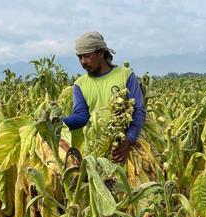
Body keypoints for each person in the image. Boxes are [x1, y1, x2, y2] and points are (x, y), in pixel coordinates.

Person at [62, 31, 146, 164]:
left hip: (125, 149)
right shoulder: (80, 84)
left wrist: (128, 139)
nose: (83, 62)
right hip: (96, 150)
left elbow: (138, 110)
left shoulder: (125, 75)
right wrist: (58, 123)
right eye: (80, 57)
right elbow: (81, 116)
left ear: (101, 53)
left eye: (87, 56)